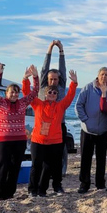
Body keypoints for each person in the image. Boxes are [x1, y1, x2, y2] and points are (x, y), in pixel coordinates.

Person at [0, 63, 39, 203]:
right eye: (12, 92)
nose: (15, 94)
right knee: (2, 167)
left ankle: (9, 194)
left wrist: (35, 76)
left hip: (19, 141)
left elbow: (35, 92)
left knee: (15, 167)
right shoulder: (0, 103)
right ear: (6, 93)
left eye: (17, 92)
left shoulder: (22, 103)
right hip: (3, 141)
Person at [25, 68, 78, 197]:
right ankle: (33, 190)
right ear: (45, 94)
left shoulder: (60, 106)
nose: (52, 94)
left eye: (54, 92)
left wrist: (74, 83)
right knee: (36, 166)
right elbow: (27, 93)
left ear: (57, 95)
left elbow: (70, 96)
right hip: (38, 140)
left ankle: (42, 190)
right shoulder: (37, 104)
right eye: (50, 92)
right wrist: (26, 79)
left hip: (54, 142)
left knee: (49, 167)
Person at [75, 67, 107, 193]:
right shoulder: (88, 88)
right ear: (98, 75)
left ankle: (100, 184)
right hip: (87, 130)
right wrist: (85, 120)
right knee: (86, 158)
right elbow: (78, 105)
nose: (104, 77)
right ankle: (84, 184)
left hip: (103, 130)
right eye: (102, 74)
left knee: (101, 159)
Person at [39, 40, 72, 178]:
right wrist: (49, 48)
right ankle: (44, 174)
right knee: (44, 152)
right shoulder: (43, 88)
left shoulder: (61, 88)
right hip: (45, 125)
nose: (53, 81)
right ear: (47, 79)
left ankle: (59, 174)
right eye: (51, 79)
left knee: (59, 152)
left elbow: (62, 69)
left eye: (55, 79)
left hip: (59, 124)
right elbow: (44, 68)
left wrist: (61, 51)